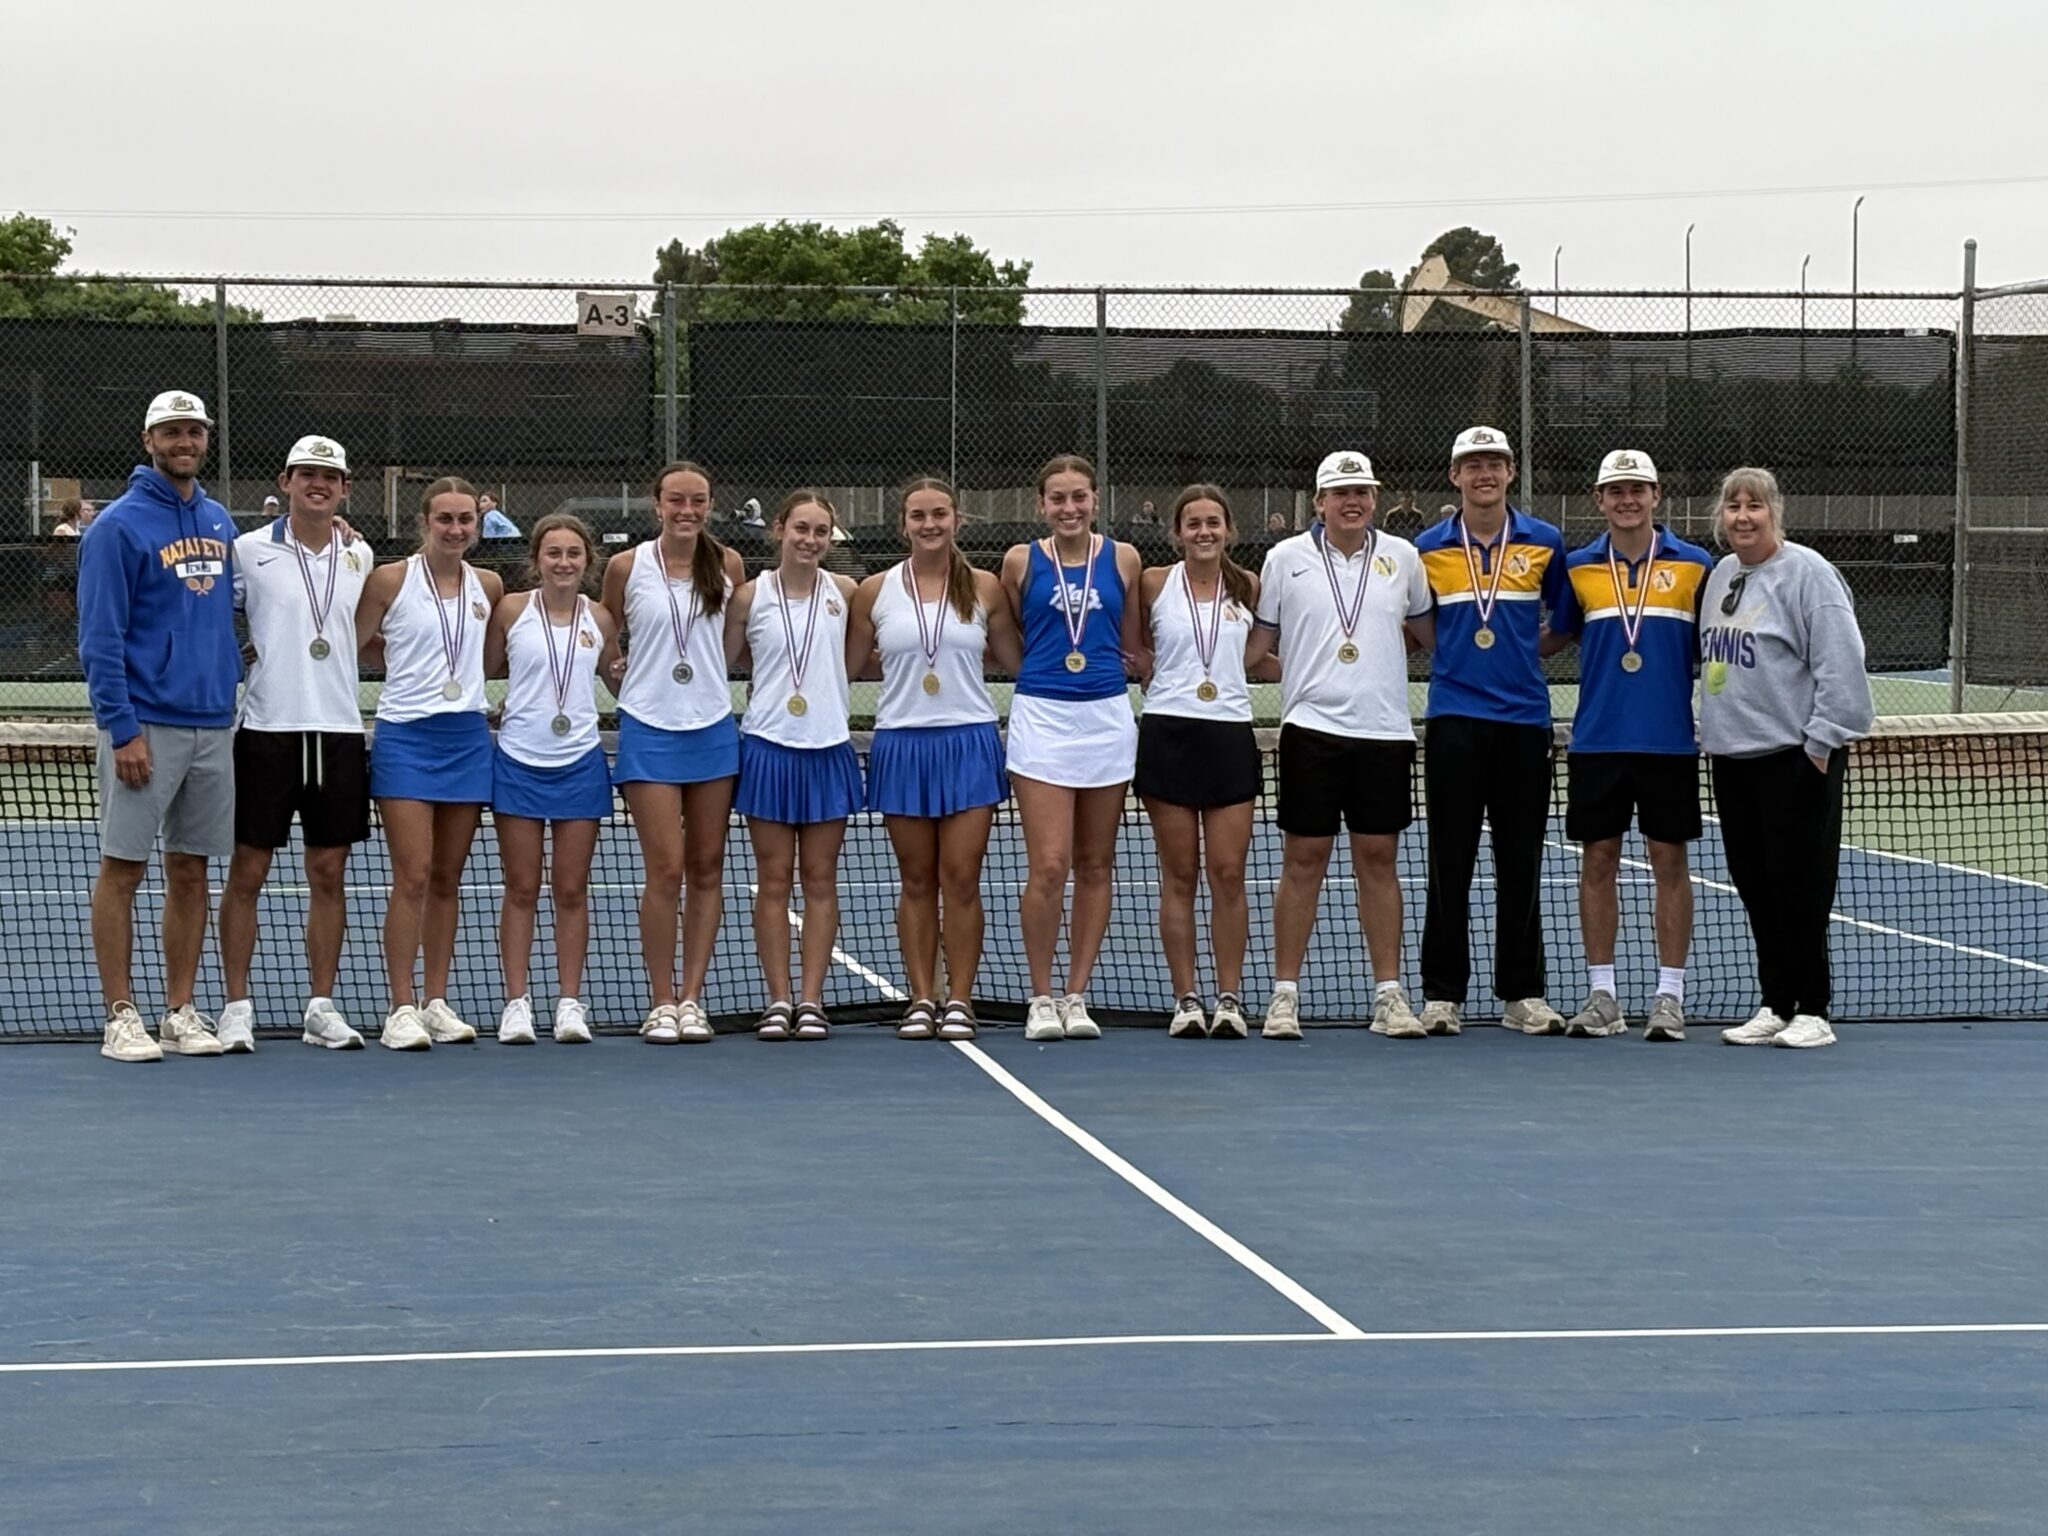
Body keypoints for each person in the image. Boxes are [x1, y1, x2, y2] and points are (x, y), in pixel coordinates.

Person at [1245, 451, 1433, 1041]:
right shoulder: (1284, 559)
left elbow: (1428, 635)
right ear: (1319, 501)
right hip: (1310, 732)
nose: (1352, 502)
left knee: (1379, 862)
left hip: (1384, 733)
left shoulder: (1403, 558)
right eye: (1340, 493)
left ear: (1375, 499)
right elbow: (1259, 645)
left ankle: (1389, 996)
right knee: (1303, 862)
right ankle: (1284, 997)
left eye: (1363, 492)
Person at [78, 390, 242, 1062]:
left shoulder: (221, 521)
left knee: (192, 870)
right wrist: (123, 730)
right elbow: (99, 638)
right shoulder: (116, 528)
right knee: (123, 869)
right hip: (145, 723)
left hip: (213, 724)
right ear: (149, 441)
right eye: (172, 431)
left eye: (195, 432)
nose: (185, 442)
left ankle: (180, 1009)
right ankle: (121, 1016)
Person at [1698, 467, 1874, 1050]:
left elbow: (1841, 666)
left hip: (1794, 760)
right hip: (1733, 761)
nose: (1743, 516)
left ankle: (1814, 1008)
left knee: (1801, 885)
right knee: (1756, 885)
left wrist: (1820, 744)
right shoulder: (1723, 573)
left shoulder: (1809, 575)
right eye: (1732, 506)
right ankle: (1776, 1002)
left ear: (1775, 512)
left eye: (1755, 506)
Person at [217, 435, 377, 1052]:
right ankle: (235, 1006)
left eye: (330, 475)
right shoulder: (246, 550)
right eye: (307, 473)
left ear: (344, 489)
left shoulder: (360, 556)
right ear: (284, 482)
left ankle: (320, 1006)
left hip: (337, 731)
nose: (319, 483)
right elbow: (214, 616)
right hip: (263, 731)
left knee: (328, 872)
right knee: (247, 871)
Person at [845, 476, 1020, 1039]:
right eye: (918, 515)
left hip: (968, 743)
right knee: (917, 880)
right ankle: (922, 997)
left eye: (939, 514)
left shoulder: (986, 587)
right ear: (904, 524)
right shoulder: (874, 590)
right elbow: (847, 667)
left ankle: (961, 999)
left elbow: (1017, 661)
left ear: (956, 519)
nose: (929, 524)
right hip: (901, 742)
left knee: (961, 879)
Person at [1547, 450, 1714, 1043]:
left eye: (1637, 489)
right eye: (1615, 490)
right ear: (1598, 499)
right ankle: (1604, 997)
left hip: (1669, 743)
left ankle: (1669, 997)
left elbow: (1718, 646)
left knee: (1670, 864)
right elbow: (1551, 637)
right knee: (1598, 863)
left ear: (1656, 494)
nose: (1627, 499)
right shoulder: (1577, 567)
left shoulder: (1698, 566)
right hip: (1597, 742)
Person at [1413, 426, 1572, 1035]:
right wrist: (1459, 657)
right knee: (1448, 860)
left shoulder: (1544, 542)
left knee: (1520, 861)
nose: (1484, 473)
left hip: (1524, 723)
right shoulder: (1427, 547)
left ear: (1511, 473)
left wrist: (1521, 658)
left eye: (1495, 463)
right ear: (1454, 475)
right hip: (1454, 720)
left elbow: (1561, 623)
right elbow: (1421, 624)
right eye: (1472, 464)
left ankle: (1522, 994)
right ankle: (1442, 995)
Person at [999, 453, 1145, 1042]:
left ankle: (1077, 994)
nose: (1069, 508)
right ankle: (1040, 995)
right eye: (1057, 498)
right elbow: (1012, 634)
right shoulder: (1019, 562)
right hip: (1042, 715)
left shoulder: (1126, 558)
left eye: (1078, 497)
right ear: (1041, 505)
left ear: (1095, 500)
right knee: (1049, 864)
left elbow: (1132, 643)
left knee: (1095, 863)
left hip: (1107, 716)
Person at [355, 477, 504, 1050]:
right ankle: (400, 1006)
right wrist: (403, 664)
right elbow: (357, 643)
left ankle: (436, 999)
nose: (456, 529)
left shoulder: (487, 585)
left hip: (466, 738)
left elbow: (488, 658)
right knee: (412, 874)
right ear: (425, 521)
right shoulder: (389, 580)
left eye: (465, 519)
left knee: (448, 877)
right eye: (445, 518)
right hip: (406, 739)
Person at [602, 461, 746, 1044]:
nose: (687, 511)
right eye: (676, 501)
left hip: (713, 730)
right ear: (656, 504)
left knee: (707, 867)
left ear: (709, 505)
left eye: (698, 501)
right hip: (648, 732)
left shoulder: (730, 564)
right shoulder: (625, 566)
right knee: (664, 868)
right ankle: (660, 1001)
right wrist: (627, 687)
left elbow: (731, 647)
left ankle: (692, 998)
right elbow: (605, 637)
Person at [725, 492, 863, 1040]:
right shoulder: (748, 596)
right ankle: (778, 999)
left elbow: (852, 659)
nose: (810, 540)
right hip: (768, 744)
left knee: (821, 879)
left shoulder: (848, 593)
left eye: (821, 532)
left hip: (828, 747)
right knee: (774, 879)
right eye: (801, 529)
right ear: (779, 529)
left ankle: (812, 1000)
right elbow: (731, 658)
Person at [483, 514, 619, 1046]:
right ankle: (516, 1003)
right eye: (553, 553)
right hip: (517, 760)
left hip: (581, 762)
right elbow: (488, 668)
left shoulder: (601, 618)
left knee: (570, 890)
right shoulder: (511, 611)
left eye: (573, 554)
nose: (563, 563)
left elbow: (615, 674)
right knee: (520, 889)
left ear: (587, 562)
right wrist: (501, 705)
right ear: (536, 559)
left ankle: (568, 1003)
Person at [1136, 485, 1265, 1038]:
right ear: (1177, 533)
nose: (1204, 532)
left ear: (1229, 530)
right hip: (1168, 732)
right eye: (1193, 524)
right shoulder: (1154, 583)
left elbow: (1257, 652)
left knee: (1228, 873)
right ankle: (1186, 998)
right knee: (1180, 874)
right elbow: (1139, 649)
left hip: (1230, 735)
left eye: (1214, 522)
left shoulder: (1250, 586)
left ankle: (1230, 997)